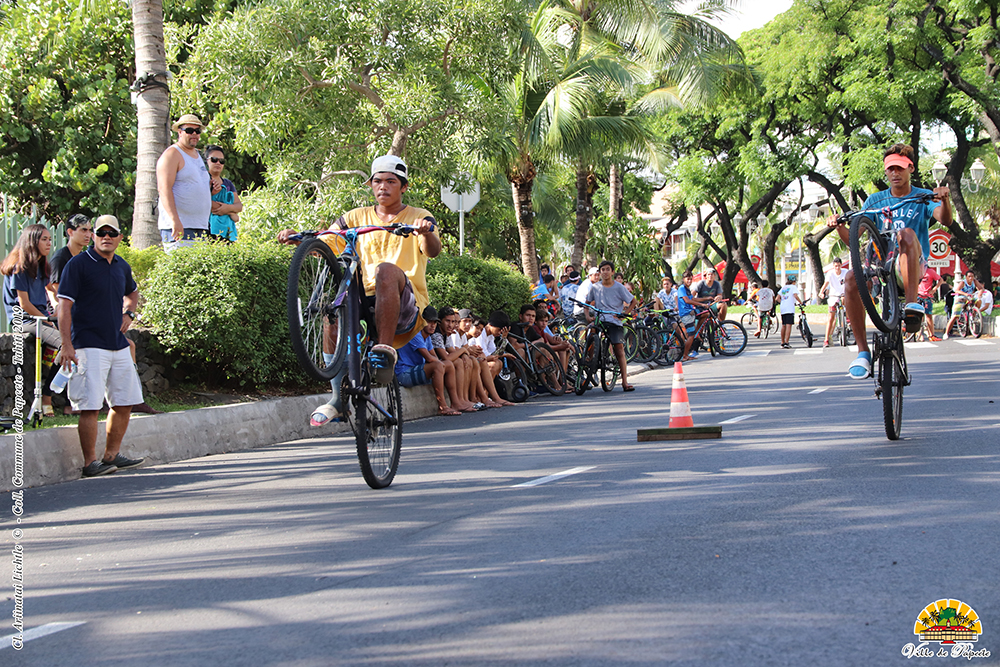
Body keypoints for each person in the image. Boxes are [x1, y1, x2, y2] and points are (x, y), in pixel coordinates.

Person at [278, 154, 441, 419]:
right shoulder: (355, 217)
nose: (383, 187)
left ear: (404, 186)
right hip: (363, 299)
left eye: (391, 181)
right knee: (333, 313)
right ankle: (338, 397)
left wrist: (426, 231)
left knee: (384, 270)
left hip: (404, 300)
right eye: (377, 181)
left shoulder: (418, 216)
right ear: (370, 185)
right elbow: (326, 244)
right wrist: (298, 239)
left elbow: (433, 251)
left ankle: (384, 353)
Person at [827, 143, 952, 378]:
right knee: (852, 277)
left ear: (910, 168)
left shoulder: (923, 197)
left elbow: (944, 220)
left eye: (900, 168)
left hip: (910, 268)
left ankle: (912, 305)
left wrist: (944, 200)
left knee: (905, 233)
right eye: (890, 169)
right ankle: (863, 353)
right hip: (879, 267)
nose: (895, 173)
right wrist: (839, 227)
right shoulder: (875, 201)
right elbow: (854, 238)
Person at [56, 215, 145, 477]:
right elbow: (64, 306)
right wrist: (66, 344)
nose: (107, 237)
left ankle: (111, 455)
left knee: (125, 401)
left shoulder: (121, 265)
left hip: (117, 345)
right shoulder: (78, 265)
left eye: (112, 233)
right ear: (93, 236)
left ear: (120, 237)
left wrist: (128, 314)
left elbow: (132, 292)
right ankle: (90, 463)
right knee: (90, 406)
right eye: (101, 232)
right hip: (87, 344)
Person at [2, 224, 61, 416]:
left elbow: (50, 291)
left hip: (40, 317)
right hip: (25, 320)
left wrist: (57, 309)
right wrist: (46, 319)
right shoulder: (20, 267)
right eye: (44, 239)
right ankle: (46, 395)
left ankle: (48, 372)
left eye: (50, 239)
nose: (49, 243)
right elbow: (25, 304)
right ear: (32, 241)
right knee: (65, 344)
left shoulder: (41, 266)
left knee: (74, 333)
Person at [394, 306, 470, 416]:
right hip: (404, 373)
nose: (432, 325)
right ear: (421, 321)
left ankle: (456, 403)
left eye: (434, 322)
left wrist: (444, 365)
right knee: (439, 366)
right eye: (429, 322)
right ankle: (442, 406)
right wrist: (441, 365)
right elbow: (429, 358)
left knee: (447, 364)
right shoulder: (415, 334)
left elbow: (434, 357)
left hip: (418, 370)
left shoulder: (427, 337)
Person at [157, 114, 212, 249]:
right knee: (181, 269)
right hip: (179, 227)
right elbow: (164, 189)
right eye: (189, 130)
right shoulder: (172, 154)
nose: (194, 134)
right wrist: (174, 220)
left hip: (200, 226)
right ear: (180, 132)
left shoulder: (197, 155)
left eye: (197, 131)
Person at [586, 260, 635, 392]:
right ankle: (590, 366)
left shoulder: (619, 287)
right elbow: (587, 302)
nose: (605, 272)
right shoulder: (595, 287)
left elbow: (633, 300)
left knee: (619, 349)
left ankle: (625, 381)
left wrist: (625, 313)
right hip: (599, 319)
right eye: (603, 270)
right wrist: (587, 315)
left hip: (614, 321)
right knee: (590, 337)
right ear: (600, 272)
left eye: (608, 269)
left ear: (612, 272)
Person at [204, 144, 242, 242]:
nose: (218, 163)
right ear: (206, 161)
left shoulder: (228, 183)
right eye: (214, 159)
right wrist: (231, 213)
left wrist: (228, 210)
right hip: (208, 231)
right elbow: (204, 202)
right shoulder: (203, 180)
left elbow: (239, 206)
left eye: (221, 161)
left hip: (227, 233)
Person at [943, 270, 982, 339]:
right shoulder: (963, 282)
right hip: (960, 298)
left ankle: (974, 314)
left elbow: (981, 288)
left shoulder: (975, 282)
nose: (971, 278)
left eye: (972, 276)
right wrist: (965, 294)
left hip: (969, 297)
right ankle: (946, 333)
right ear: (966, 277)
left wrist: (979, 295)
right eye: (969, 276)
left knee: (978, 301)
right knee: (955, 316)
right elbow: (957, 290)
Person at [820, 257, 847, 347]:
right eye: (836, 266)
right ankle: (826, 339)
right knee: (831, 318)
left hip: (843, 295)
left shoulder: (845, 272)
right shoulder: (830, 274)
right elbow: (826, 283)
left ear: (841, 265)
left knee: (846, 303)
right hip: (833, 296)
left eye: (839, 266)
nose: (837, 268)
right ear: (833, 266)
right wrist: (821, 292)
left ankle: (846, 320)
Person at [915, 266, 944, 341]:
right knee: (918, 315)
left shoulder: (930, 271)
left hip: (927, 297)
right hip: (918, 296)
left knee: (929, 316)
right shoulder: (916, 271)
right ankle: (919, 334)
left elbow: (940, 280)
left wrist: (934, 289)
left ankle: (932, 335)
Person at [777, 275, 800, 349]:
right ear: (794, 281)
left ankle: (782, 342)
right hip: (790, 308)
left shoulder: (784, 287)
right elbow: (795, 296)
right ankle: (787, 342)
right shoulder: (793, 287)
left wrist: (783, 302)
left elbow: (777, 298)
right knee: (789, 325)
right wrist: (801, 302)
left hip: (783, 308)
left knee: (784, 325)